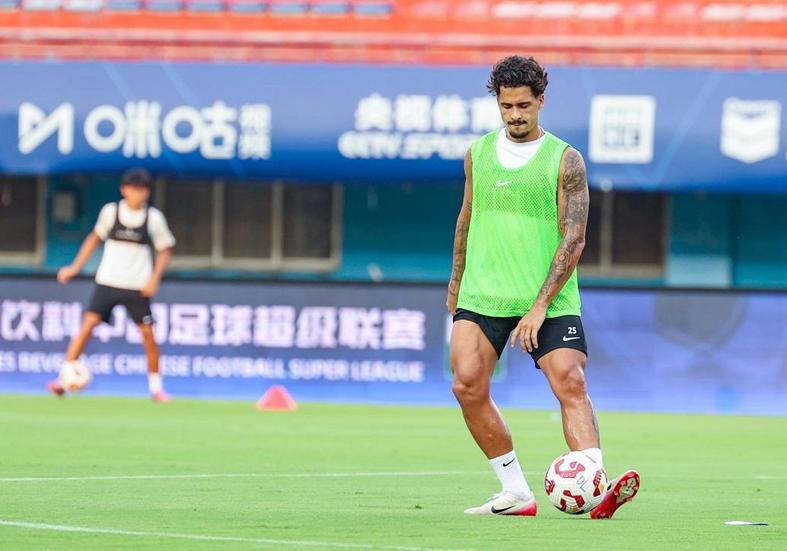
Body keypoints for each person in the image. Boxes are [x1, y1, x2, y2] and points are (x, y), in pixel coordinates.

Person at [447, 55, 639, 518]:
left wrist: (539, 306)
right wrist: (455, 283)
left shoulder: (565, 160)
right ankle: (515, 492)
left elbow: (575, 237)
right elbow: (467, 217)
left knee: (570, 380)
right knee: (467, 385)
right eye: (506, 106)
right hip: (484, 291)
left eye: (524, 106)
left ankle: (596, 486)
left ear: (541, 102)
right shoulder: (477, 154)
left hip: (549, 298)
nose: (515, 115)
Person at [48, 168, 176, 402]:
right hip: (108, 280)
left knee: (148, 334)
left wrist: (154, 279)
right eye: (133, 189)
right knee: (87, 326)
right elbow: (93, 238)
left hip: (137, 285)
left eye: (142, 190)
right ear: (124, 190)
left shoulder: (153, 218)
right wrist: (75, 267)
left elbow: (166, 249)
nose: (138, 194)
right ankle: (63, 378)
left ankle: (156, 388)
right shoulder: (111, 212)